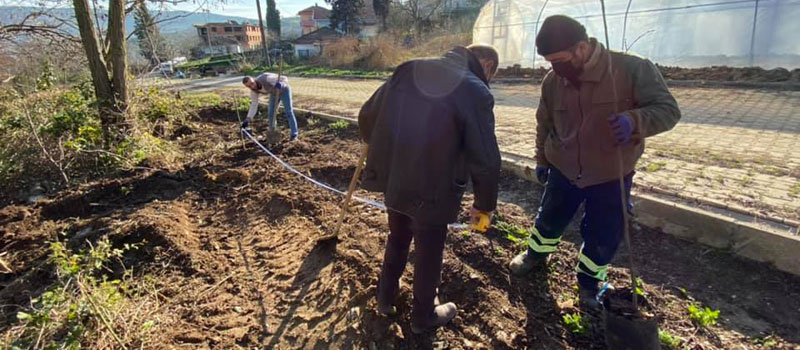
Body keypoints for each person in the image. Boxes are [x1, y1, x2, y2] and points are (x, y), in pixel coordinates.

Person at [508, 15, 681, 309]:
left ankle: (589, 282)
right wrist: (542, 159)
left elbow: (668, 110)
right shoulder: (553, 81)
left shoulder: (631, 69)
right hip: (563, 168)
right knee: (549, 218)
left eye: (560, 60)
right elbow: (544, 122)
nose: (555, 68)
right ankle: (536, 255)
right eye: (550, 62)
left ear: (581, 47)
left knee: (604, 232)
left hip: (609, 173)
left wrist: (634, 120)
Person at [358, 44, 502, 333]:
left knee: (397, 236)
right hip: (435, 190)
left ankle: (385, 297)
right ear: (486, 65)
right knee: (429, 250)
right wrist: (484, 206)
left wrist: (384, 155)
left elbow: (366, 117)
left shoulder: (408, 68)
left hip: (395, 180)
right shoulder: (476, 90)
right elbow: (485, 159)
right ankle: (423, 315)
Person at [241, 73, 299, 141]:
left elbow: (284, 78)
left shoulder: (266, 78)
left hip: (284, 90)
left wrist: (282, 84)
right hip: (274, 94)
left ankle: (294, 135)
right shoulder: (253, 91)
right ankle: (273, 133)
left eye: (252, 83)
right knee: (271, 113)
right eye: (249, 86)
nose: (252, 87)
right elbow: (254, 105)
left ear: (254, 80)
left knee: (288, 112)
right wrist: (248, 119)